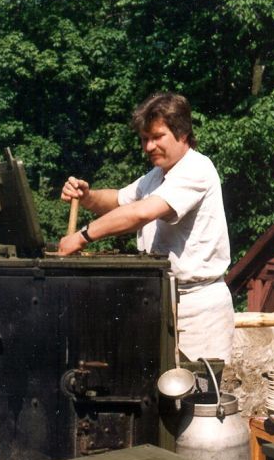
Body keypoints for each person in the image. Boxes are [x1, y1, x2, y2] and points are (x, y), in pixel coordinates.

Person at [58, 92, 235, 363]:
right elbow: (118, 200)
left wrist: (82, 236)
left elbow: (140, 213)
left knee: (198, 398)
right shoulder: (158, 175)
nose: (149, 147)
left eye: (157, 137)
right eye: (144, 139)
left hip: (198, 309)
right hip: (161, 299)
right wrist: (87, 196)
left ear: (183, 134)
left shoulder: (196, 169)